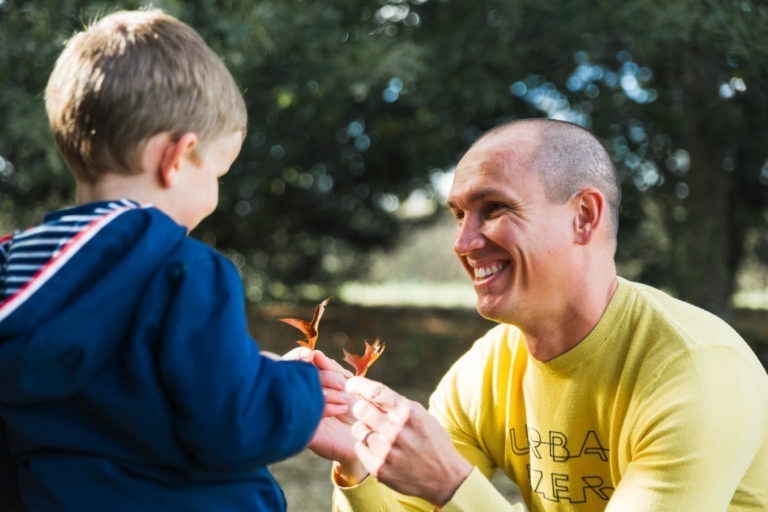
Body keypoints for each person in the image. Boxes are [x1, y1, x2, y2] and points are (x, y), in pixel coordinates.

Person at [310, 118, 768, 511]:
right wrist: (357, 461)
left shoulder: (696, 369)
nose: (463, 243)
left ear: (584, 217)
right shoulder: (485, 372)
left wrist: (452, 486)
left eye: (494, 209)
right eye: (459, 215)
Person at [0, 9, 325, 511]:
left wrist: (245, 368)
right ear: (177, 157)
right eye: (217, 173)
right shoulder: (184, 271)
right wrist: (299, 386)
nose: (214, 195)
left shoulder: (19, 271)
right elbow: (233, 424)